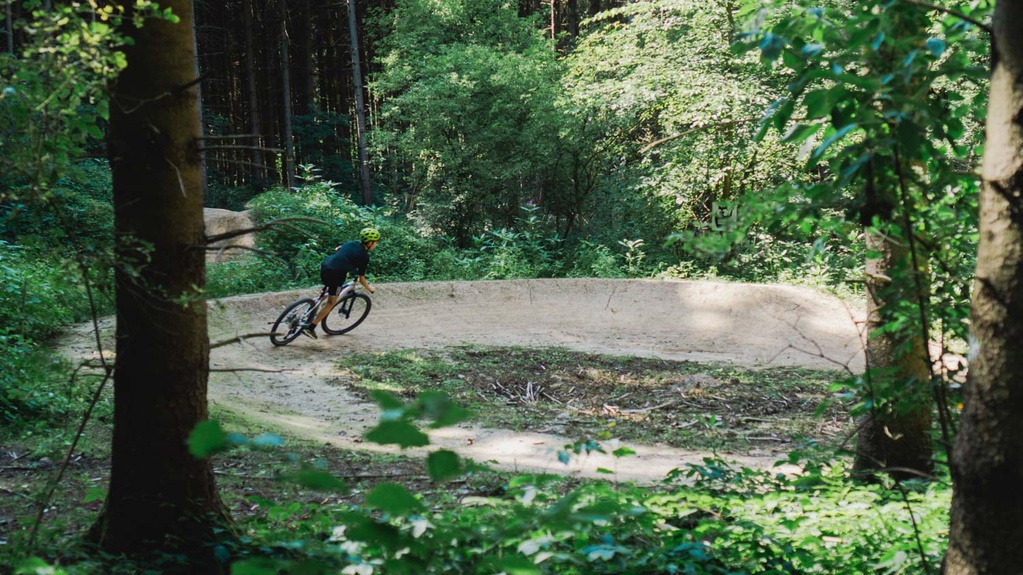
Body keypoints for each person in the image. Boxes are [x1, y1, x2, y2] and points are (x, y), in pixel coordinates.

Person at [302, 227, 380, 338]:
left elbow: (338, 248)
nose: (376, 244)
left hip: (326, 265)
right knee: (331, 303)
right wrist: (369, 288)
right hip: (336, 273)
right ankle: (310, 328)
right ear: (370, 243)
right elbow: (361, 278)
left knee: (329, 287)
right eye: (376, 242)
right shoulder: (364, 257)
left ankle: (314, 304)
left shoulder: (352, 243)